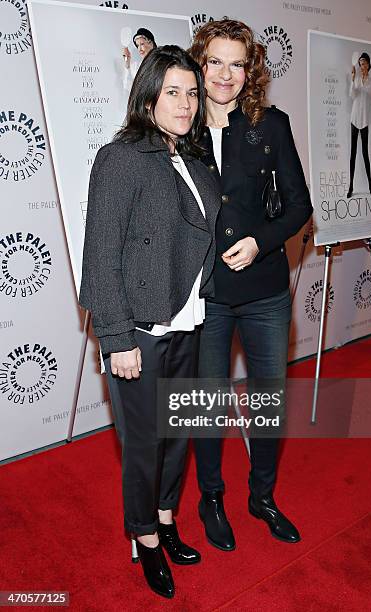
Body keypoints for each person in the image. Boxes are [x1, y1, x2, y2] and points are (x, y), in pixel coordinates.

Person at [79, 45, 220, 598]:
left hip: (188, 322)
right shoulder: (120, 158)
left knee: (178, 436)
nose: (185, 104)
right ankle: (143, 538)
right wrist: (116, 338)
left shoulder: (189, 156)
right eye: (172, 93)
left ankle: (165, 521)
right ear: (147, 95)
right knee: (145, 444)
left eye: (191, 93)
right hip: (139, 330)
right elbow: (101, 254)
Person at [189, 19, 313, 551]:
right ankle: (211, 496)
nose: (224, 74)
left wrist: (261, 242)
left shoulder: (272, 124)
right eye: (214, 61)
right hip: (204, 294)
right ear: (199, 63)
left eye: (236, 63)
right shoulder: (177, 125)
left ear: (250, 70)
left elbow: (299, 207)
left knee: (268, 401)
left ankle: (261, 496)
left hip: (264, 291)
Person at [347, 52, 371, 198]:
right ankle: (350, 186)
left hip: (364, 121)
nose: (362, 66)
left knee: (365, 154)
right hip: (354, 119)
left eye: (364, 63)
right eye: (360, 64)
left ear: (369, 64)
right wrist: (352, 80)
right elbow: (352, 95)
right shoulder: (356, 79)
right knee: (352, 154)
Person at [122, 27, 157, 92]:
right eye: (138, 45)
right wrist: (127, 62)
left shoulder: (160, 63)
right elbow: (128, 86)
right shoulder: (136, 66)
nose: (139, 49)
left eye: (142, 44)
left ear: (151, 43)